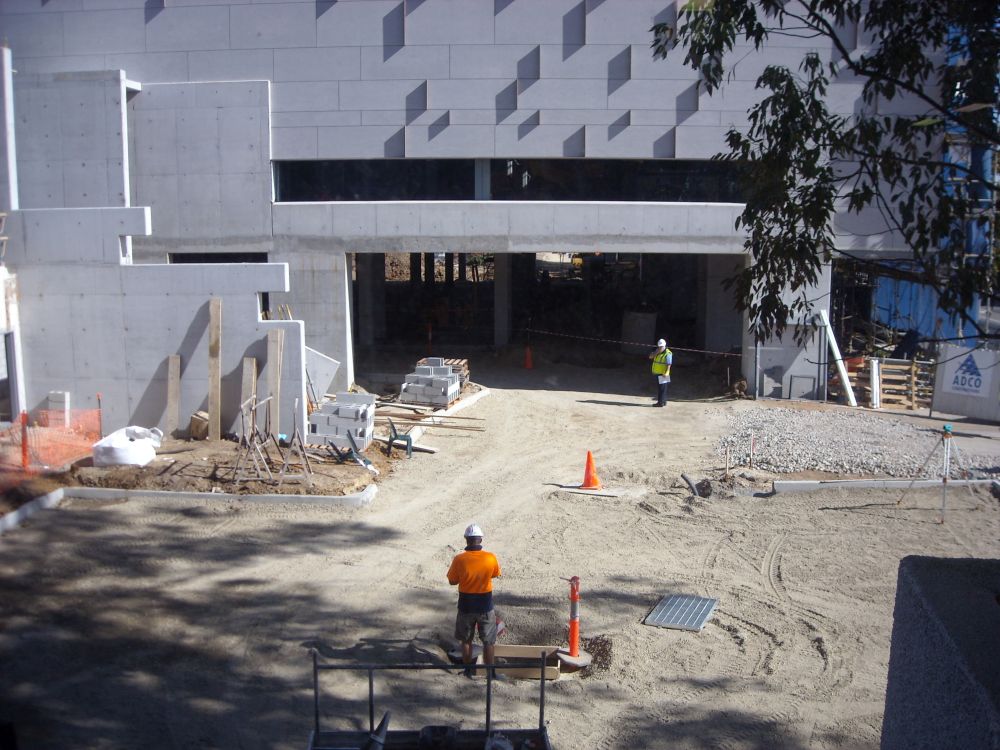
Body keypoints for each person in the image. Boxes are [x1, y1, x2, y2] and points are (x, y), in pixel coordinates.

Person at [447, 523, 502, 678]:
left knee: (466, 641)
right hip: (485, 605)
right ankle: (491, 674)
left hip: (465, 605)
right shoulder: (490, 557)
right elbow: (495, 574)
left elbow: (452, 581)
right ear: (480, 539)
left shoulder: (459, 559)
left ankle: (467, 671)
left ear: (466, 540)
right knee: (488, 642)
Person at [648, 338, 673, 407]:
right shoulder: (657, 351)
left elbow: (669, 364)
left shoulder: (668, 353)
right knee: (662, 388)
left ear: (664, 346)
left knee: (662, 389)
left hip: (663, 373)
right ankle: (663, 401)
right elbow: (650, 357)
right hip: (657, 373)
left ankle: (660, 403)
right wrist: (656, 352)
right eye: (659, 346)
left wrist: (667, 372)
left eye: (661, 346)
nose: (660, 348)